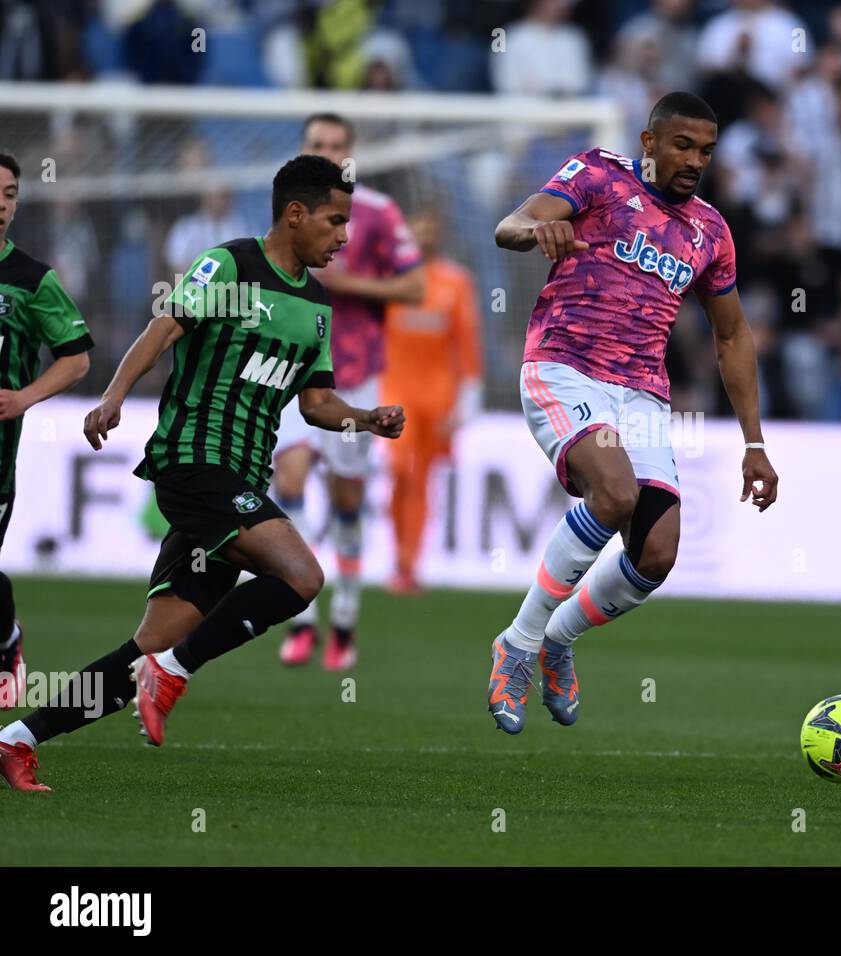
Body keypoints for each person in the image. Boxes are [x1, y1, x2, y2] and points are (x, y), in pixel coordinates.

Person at [0, 155, 405, 792]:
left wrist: (367, 418)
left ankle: (18, 739)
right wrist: (113, 395)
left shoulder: (317, 304)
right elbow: (164, 329)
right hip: (194, 461)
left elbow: (317, 403)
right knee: (302, 575)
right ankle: (176, 672)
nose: (344, 236)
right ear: (294, 214)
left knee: (149, 644)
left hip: (243, 480)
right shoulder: (229, 266)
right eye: (335, 221)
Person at [488, 91, 779, 734]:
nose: (694, 160)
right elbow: (510, 224)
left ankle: (558, 640)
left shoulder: (711, 232)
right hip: (564, 365)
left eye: (705, 150)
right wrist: (540, 230)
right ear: (649, 142)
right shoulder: (597, 174)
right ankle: (519, 644)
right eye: (682, 145)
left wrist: (754, 444)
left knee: (657, 554)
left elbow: (732, 337)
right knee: (613, 493)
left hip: (642, 390)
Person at [274, 113, 423, 671]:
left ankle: (345, 618)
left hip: (354, 373)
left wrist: (350, 284)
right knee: (288, 479)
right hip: (289, 370)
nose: (330, 153)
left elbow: (415, 285)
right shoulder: (287, 212)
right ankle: (301, 617)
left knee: (346, 499)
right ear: (304, 147)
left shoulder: (380, 213)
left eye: (338, 145)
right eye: (319, 144)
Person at [0, 151, 94, 712]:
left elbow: (77, 358)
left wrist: (24, 397)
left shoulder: (32, 280)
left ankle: (6, 637)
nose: (0, 204)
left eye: (9, 193)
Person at [382, 205, 482, 593]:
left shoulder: (455, 282)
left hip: (437, 395)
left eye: (431, 227)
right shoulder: (390, 277)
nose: (424, 234)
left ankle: (408, 564)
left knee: (422, 478)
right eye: (418, 226)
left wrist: (468, 395)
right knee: (400, 469)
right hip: (396, 391)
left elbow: (467, 342)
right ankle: (400, 553)